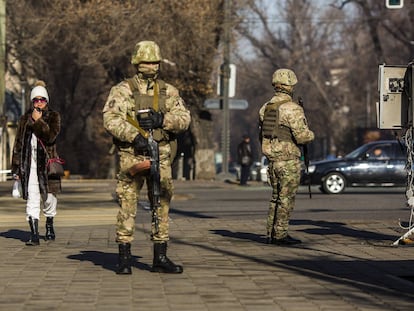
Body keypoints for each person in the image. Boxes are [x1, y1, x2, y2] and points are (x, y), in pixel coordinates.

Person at [103, 41, 191, 274]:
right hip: (132, 156)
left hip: (160, 156)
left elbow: (184, 119)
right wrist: (134, 136)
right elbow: (110, 119)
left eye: (154, 61)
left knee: (161, 205)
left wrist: (163, 121)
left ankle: (160, 257)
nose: (151, 66)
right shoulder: (122, 90)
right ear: (137, 63)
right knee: (127, 204)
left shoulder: (168, 91)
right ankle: (124, 258)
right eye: (146, 62)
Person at [259, 68, 314, 246]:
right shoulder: (292, 108)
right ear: (290, 86)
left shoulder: (265, 108)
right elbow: (302, 136)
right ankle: (280, 235)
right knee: (286, 198)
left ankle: (270, 232)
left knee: (275, 197)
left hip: (272, 160)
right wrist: (311, 134)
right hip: (288, 159)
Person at [11, 80, 62, 246]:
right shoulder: (24, 119)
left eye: (42, 99)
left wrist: (38, 121)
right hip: (29, 165)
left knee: (49, 199)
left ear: (47, 101)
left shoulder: (53, 116)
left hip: (47, 166)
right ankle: (33, 234)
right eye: (36, 100)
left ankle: (49, 224)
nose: (39, 103)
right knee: (32, 199)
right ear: (32, 101)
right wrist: (16, 168)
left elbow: (51, 137)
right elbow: (18, 144)